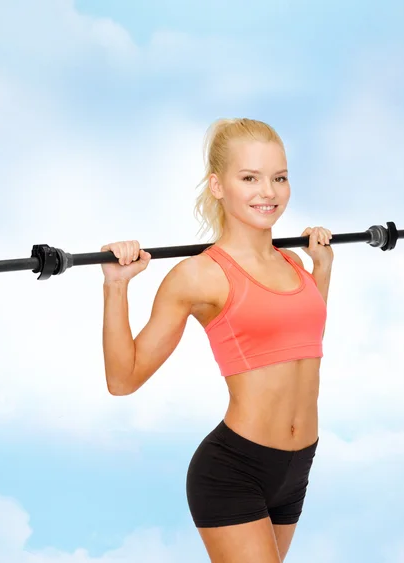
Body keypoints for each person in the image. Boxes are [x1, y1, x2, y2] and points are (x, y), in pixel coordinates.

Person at [101, 117, 333, 562]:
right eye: (250, 178)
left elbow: (303, 343)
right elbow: (122, 378)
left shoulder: (294, 265)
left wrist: (320, 270)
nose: (268, 192)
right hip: (235, 470)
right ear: (218, 185)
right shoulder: (199, 276)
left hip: (297, 467)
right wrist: (117, 286)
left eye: (279, 178)